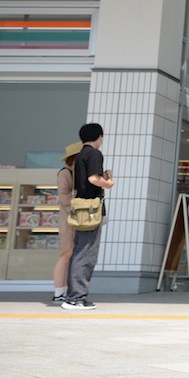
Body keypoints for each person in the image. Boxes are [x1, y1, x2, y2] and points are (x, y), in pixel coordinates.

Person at [62, 124, 114, 311]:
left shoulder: (80, 156)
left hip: (81, 208)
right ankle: (77, 298)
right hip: (90, 209)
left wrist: (103, 177)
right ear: (98, 137)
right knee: (86, 253)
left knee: (80, 251)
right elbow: (93, 179)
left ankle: (73, 296)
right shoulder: (94, 154)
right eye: (102, 137)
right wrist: (108, 182)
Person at [52, 141, 82, 303]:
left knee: (71, 256)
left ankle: (66, 290)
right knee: (65, 254)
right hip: (68, 221)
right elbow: (65, 199)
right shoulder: (65, 173)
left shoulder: (77, 174)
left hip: (75, 221)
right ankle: (59, 291)